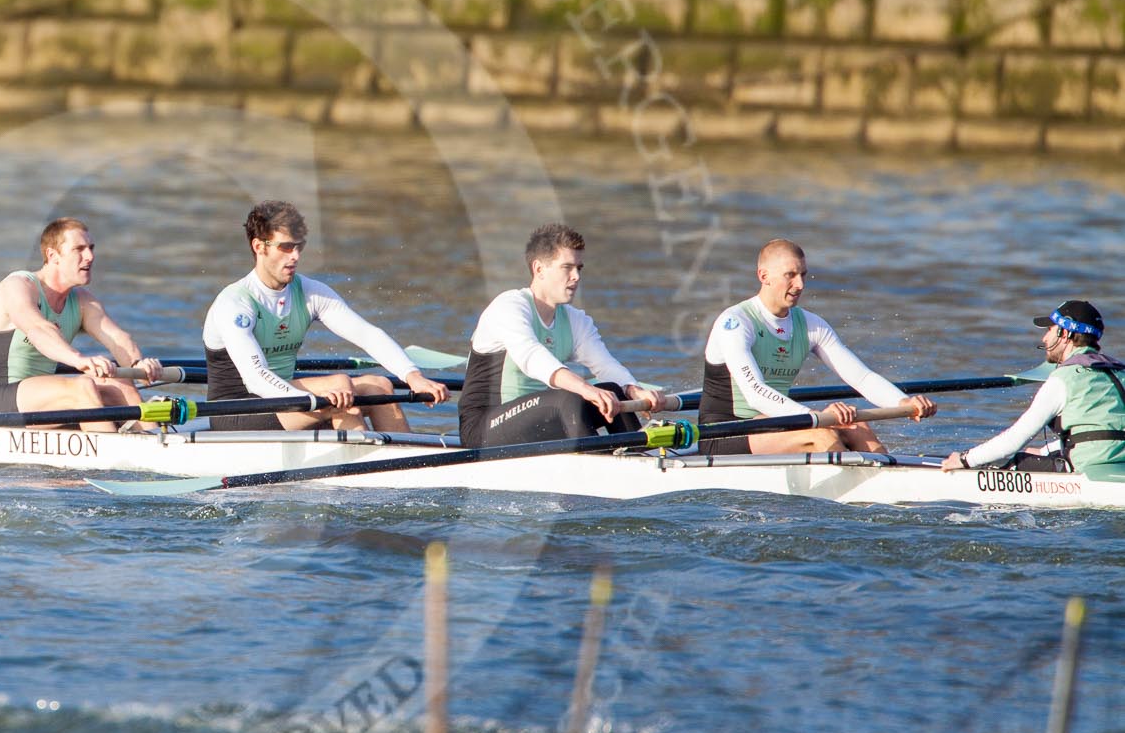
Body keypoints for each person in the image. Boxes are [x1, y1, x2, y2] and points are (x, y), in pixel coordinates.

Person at [202, 200, 448, 432]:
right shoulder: (235, 303)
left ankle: (404, 463)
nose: (295, 256)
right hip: (237, 410)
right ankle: (359, 469)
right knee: (340, 388)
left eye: (299, 246)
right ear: (259, 247)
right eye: (286, 247)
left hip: (286, 398)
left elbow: (367, 335)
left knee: (379, 386)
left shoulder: (309, 292)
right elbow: (255, 378)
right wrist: (314, 401)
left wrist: (413, 376)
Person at [700, 238, 933, 454]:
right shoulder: (736, 322)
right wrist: (813, 417)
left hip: (773, 423)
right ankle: (857, 485)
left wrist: (902, 401)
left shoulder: (810, 324)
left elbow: (861, 378)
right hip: (724, 432)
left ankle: (888, 483)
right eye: (790, 275)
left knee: (856, 425)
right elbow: (755, 395)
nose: (800, 284)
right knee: (820, 432)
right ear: (764, 276)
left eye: (803, 274)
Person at [460, 224, 679, 447]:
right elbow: (532, 357)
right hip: (483, 428)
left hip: (537, 421)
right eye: (567, 267)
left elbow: (604, 365)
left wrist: (634, 390)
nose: (576, 277)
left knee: (613, 391)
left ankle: (640, 454)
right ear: (539, 269)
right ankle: (597, 464)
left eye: (579, 268)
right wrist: (586, 389)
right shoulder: (508, 306)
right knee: (569, 398)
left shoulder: (575, 320)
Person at [0, 218, 160, 431]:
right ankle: (115, 458)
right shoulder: (18, 286)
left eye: (91, 248)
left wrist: (137, 365)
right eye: (79, 249)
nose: (90, 256)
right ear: (53, 256)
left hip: (38, 400)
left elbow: (118, 339)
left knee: (117, 383)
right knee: (83, 386)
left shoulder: (83, 301)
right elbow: (39, 330)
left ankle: (152, 440)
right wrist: (80, 360)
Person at [942, 301, 1125, 478]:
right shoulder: (1121, 372)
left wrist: (965, 459)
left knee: (1016, 462)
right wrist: (1046, 451)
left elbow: (1015, 440)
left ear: (1065, 333)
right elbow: (1106, 432)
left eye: (1049, 330)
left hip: (1085, 471)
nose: (1044, 338)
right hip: (1118, 466)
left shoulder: (1063, 379)